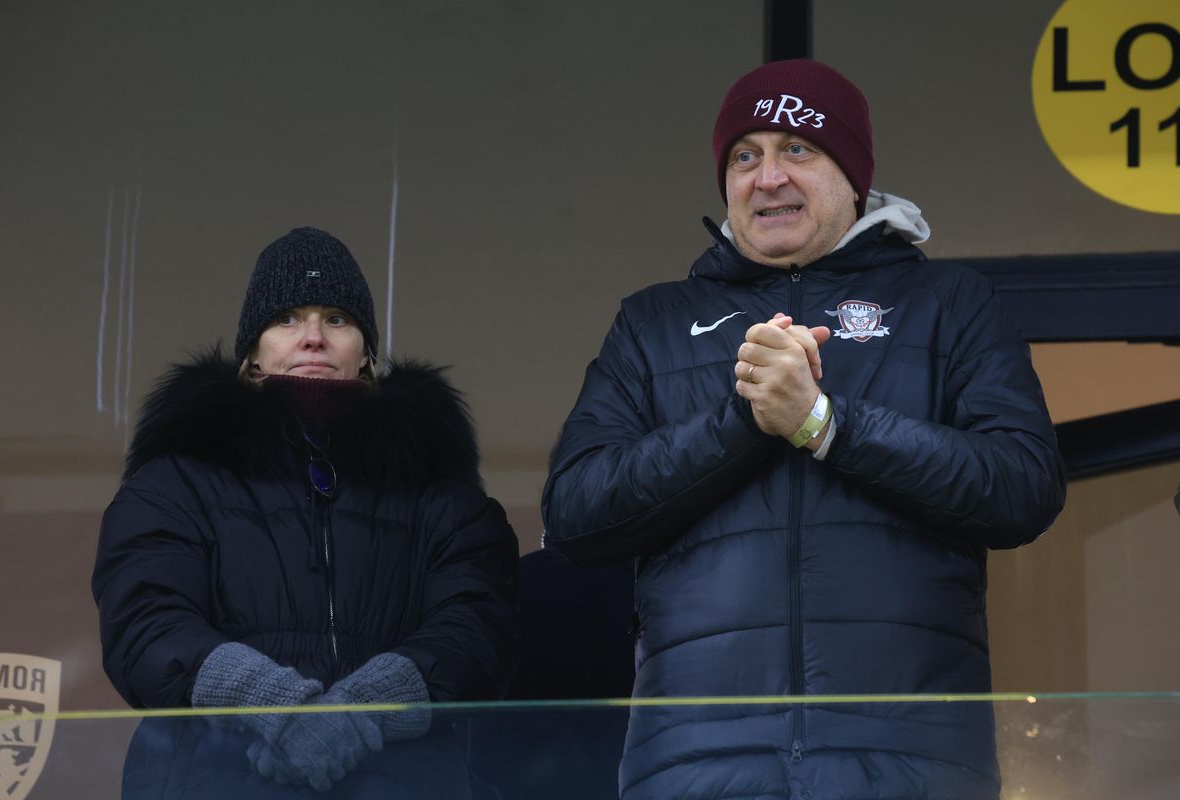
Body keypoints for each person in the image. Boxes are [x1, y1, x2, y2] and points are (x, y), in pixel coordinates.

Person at [542, 59, 1066, 800]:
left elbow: (1023, 485)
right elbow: (574, 513)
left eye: (798, 148)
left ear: (853, 177)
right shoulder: (653, 322)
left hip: (909, 767)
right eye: (744, 156)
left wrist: (825, 424)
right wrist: (745, 420)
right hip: (697, 771)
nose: (769, 177)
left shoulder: (950, 303)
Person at [92, 226, 518, 797]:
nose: (313, 338)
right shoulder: (176, 477)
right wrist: (274, 707)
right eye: (287, 318)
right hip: (216, 781)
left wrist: (365, 711)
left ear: (366, 353)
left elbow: (476, 625)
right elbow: (147, 621)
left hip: (399, 784)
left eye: (336, 319)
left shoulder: (436, 487)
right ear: (252, 352)